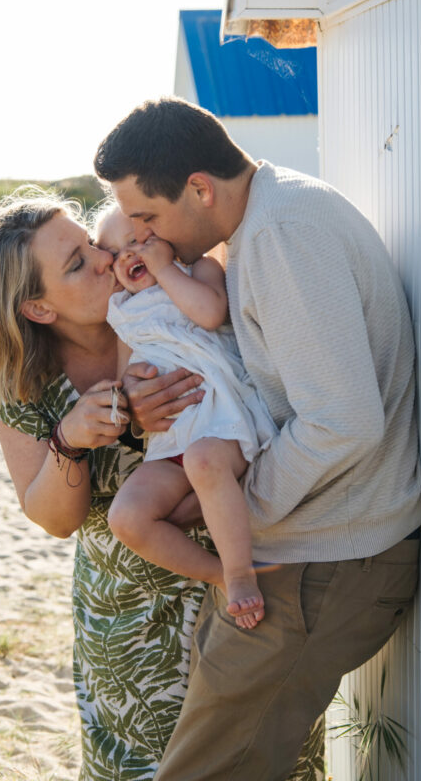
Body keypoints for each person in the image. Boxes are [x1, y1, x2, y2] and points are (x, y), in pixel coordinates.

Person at [0, 186, 323, 781]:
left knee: (267, 759)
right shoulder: (18, 380)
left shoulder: (168, 298)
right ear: (39, 308)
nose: (102, 257)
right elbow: (54, 519)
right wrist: (73, 438)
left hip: (249, 573)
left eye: (90, 243)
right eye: (77, 264)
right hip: (127, 610)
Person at [94, 96, 421, 781]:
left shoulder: (280, 235)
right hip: (313, 553)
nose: (143, 237)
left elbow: (343, 420)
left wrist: (239, 505)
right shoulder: (271, 218)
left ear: (200, 188)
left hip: (324, 564)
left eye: (148, 218)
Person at [96, 204, 276, 629]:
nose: (127, 255)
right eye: (113, 252)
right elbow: (128, 380)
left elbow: (210, 313)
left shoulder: (199, 269)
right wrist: (134, 393)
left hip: (223, 422)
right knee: (126, 517)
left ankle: (240, 572)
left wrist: (166, 270)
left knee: (203, 462)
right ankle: (218, 576)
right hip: (172, 439)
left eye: (139, 241)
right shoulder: (124, 313)